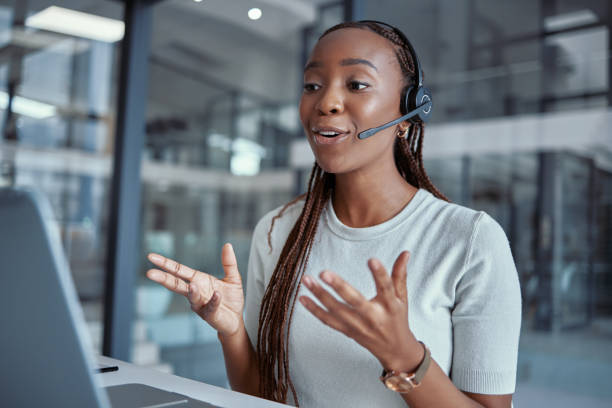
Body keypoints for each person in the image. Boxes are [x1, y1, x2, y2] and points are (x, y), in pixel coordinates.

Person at [146, 21, 521, 408]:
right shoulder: (278, 230)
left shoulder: (471, 240)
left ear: (408, 112)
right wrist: (231, 332)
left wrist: (404, 356)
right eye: (312, 85)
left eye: (356, 84)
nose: (326, 102)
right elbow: (261, 398)